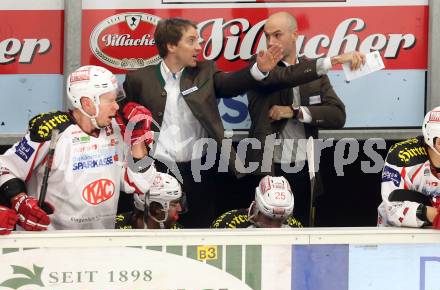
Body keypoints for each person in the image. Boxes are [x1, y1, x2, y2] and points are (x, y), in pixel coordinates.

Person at [121, 17, 364, 228]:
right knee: (155, 228)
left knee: (200, 230)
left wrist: (259, 69)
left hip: (199, 171)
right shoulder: (138, 80)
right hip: (157, 170)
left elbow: (233, 82)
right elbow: (126, 123)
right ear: (171, 45)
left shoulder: (204, 72)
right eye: (192, 40)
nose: (199, 46)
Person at [0, 65, 156, 230]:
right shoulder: (52, 130)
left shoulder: (118, 127)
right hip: (50, 243)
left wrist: (137, 140)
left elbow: (140, 184)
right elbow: (4, 167)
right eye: (110, 100)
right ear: (87, 103)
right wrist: (19, 200)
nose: (116, 106)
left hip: (101, 241)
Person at [245, 12, 364, 226]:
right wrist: (335, 60)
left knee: (304, 230)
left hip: (305, 168)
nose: (271, 42)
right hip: (270, 169)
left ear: (294, 35)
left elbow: (337, 115)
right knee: (268, 233)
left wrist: (296, 111)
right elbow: (287, 75)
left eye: (277, 35)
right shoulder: (260, 68)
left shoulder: (312, 71)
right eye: (267, 36)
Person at [378, 107, 440, 228]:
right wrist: (435, 214)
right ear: (432, 139)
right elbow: (393, 208)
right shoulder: (402, 156)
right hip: (398, 236)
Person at [212, 175, 301, 228]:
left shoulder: (295, 227)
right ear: (255, 208)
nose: (274, 228)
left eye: (280, 220)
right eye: (269, 219)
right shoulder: (227, 224)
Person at [116, 172, 184, 229]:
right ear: (156, 208)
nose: (180, 209)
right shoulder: (114, 228)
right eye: (175, 203)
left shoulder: (179, 234)